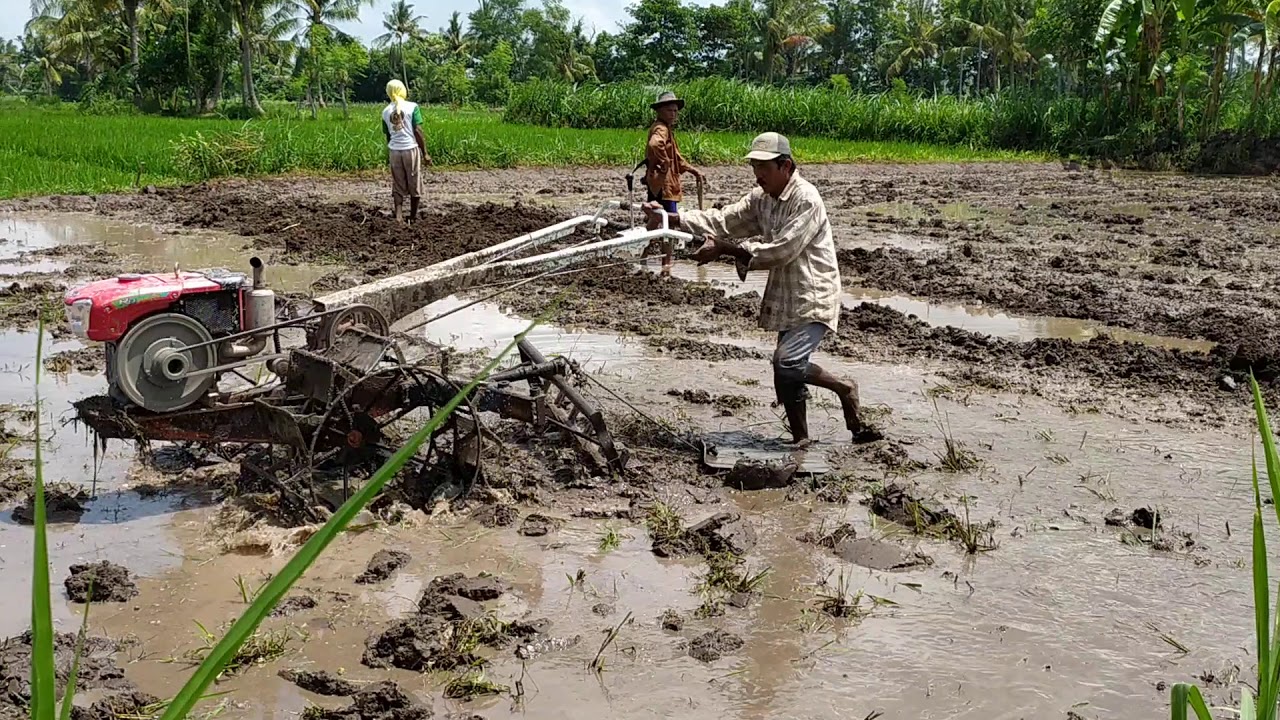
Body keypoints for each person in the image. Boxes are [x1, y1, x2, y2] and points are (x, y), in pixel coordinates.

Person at [642, 132, 863, 446]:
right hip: (787, 294)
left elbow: (782, 250)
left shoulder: (806, 199)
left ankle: (844, 387)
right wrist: (670, 218)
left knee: (787, 364)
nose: (757, 175)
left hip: (814, 292)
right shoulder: (763, 198)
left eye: (764, 167)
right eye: (754, 167)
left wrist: (725, 249)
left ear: (785, 166)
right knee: (785, 372)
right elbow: (723, 220)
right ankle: (801, 439)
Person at [644, 90, 702, 226]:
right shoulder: (661, 128)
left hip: (656, 181)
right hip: (665, 184)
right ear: (659, 111)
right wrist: (664, 161)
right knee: (669, 219)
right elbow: (655, 144)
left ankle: (649, 243)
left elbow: (676, 157)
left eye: (675, 111)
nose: (673, 114)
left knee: (656, 215)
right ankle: (666, 246)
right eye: (669, 110)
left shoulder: (664, 128)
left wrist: (693, 170)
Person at [381, 79, 431, 224]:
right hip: (410, 149)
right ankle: (413, 216)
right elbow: (417, 131)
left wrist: (391, 150)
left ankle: (398, 216)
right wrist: (425, 153)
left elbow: (388, 136)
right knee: (414, 181)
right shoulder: (412, 107)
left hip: (395, 151)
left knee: (398, 183)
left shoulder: (385, 112)